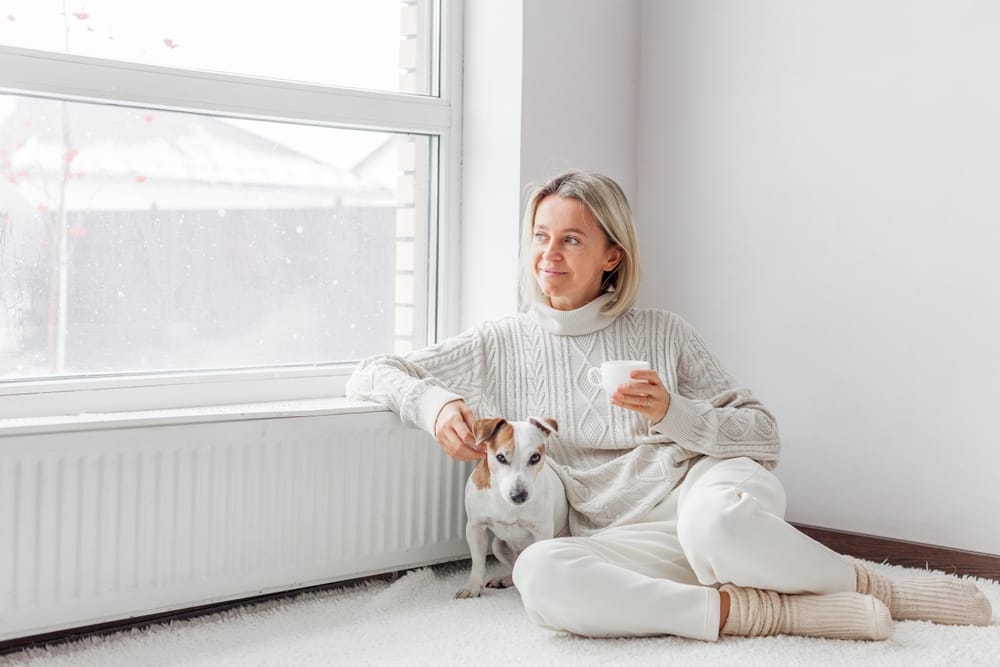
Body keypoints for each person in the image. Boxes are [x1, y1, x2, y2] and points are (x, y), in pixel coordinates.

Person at [347, 170, 991, 641]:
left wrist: (672, 413)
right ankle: (776, 612)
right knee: (539, 575)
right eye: (541, 236)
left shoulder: (664, 332)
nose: (548, 254)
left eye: (572, 239)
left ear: (611, 256)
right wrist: (433, 404)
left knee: (717, 526)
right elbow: (372, 373)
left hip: (697, 492)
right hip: (620, 536)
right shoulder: (500, 342)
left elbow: (763, 437)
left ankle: (881, 587)